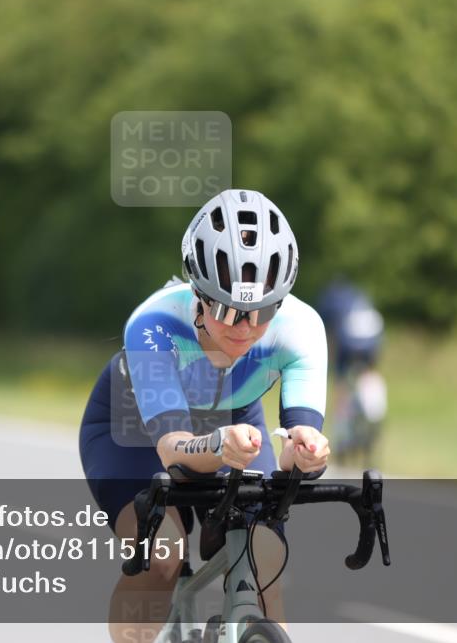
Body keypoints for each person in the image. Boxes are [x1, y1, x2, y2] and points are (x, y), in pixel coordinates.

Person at [78, 189, 330, 642]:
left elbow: (299, 438)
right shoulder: (153, 325)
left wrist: (305, 454)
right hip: (132, 429)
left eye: (263, 311)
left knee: (264, 556)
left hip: (232, 423)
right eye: (227, 310)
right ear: (198, 293)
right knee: (164, 554)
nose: (245, 328)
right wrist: (219, 446)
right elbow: (173, 449)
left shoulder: (302, 328)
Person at [315, 279, 387, 458]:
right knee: (369, 373)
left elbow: (324, 330)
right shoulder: (360, 296)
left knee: (341, 385)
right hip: (372, 339)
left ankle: (341, 432)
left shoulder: (329, 299)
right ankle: (374, 409)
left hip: (347, 342)